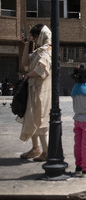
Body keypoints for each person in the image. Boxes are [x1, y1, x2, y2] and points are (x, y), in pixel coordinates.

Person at [19, 24, 52, 162]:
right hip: (33, 90)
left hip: (42, 91)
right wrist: (26, 45)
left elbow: (41, 71)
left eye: (35, 36)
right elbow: (25, 63)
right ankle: (35, 148)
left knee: (41, 119)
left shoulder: (47, 51)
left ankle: (46, 152)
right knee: (32, 118)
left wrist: (28, 75)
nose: (34, 39)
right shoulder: (39, 51)